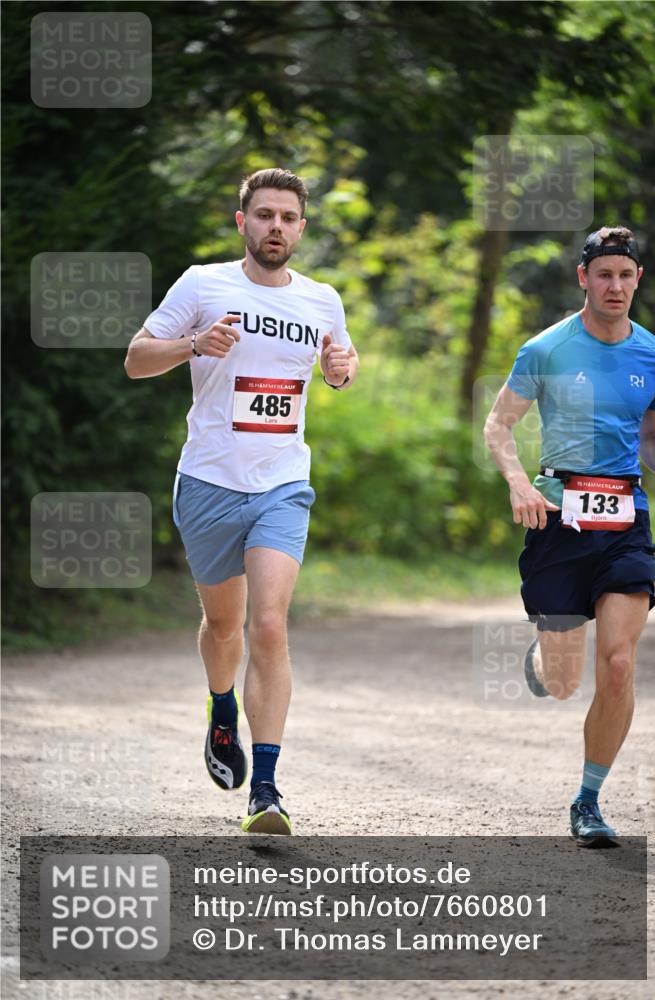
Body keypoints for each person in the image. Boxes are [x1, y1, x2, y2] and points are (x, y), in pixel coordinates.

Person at [124, 168, 359, 835]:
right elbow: (136, 358)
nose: (275, 227)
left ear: (302, 228)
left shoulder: (320, 299)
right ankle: (220, 704)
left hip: (282, 484)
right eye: (263, 215)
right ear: (242, 222)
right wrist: (194, 344)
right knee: (223, 628)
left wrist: (342, 372)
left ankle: (266, 789)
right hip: (207, 483)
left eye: (287, 217)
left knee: (269, 627)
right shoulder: (203, 283)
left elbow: (339, 362)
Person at [484, 226, 655, 846]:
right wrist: (518, 483)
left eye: (625, 275)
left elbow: (653, 439)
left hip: (624, 523)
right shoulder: (545, 350)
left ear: (638, 279)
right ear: (583, 279)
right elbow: (499, 425)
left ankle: (588, 800)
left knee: (617, 664)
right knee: (565, 682)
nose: (615, 286)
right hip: (558, 518)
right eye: (603, 275)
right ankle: (542, 664)